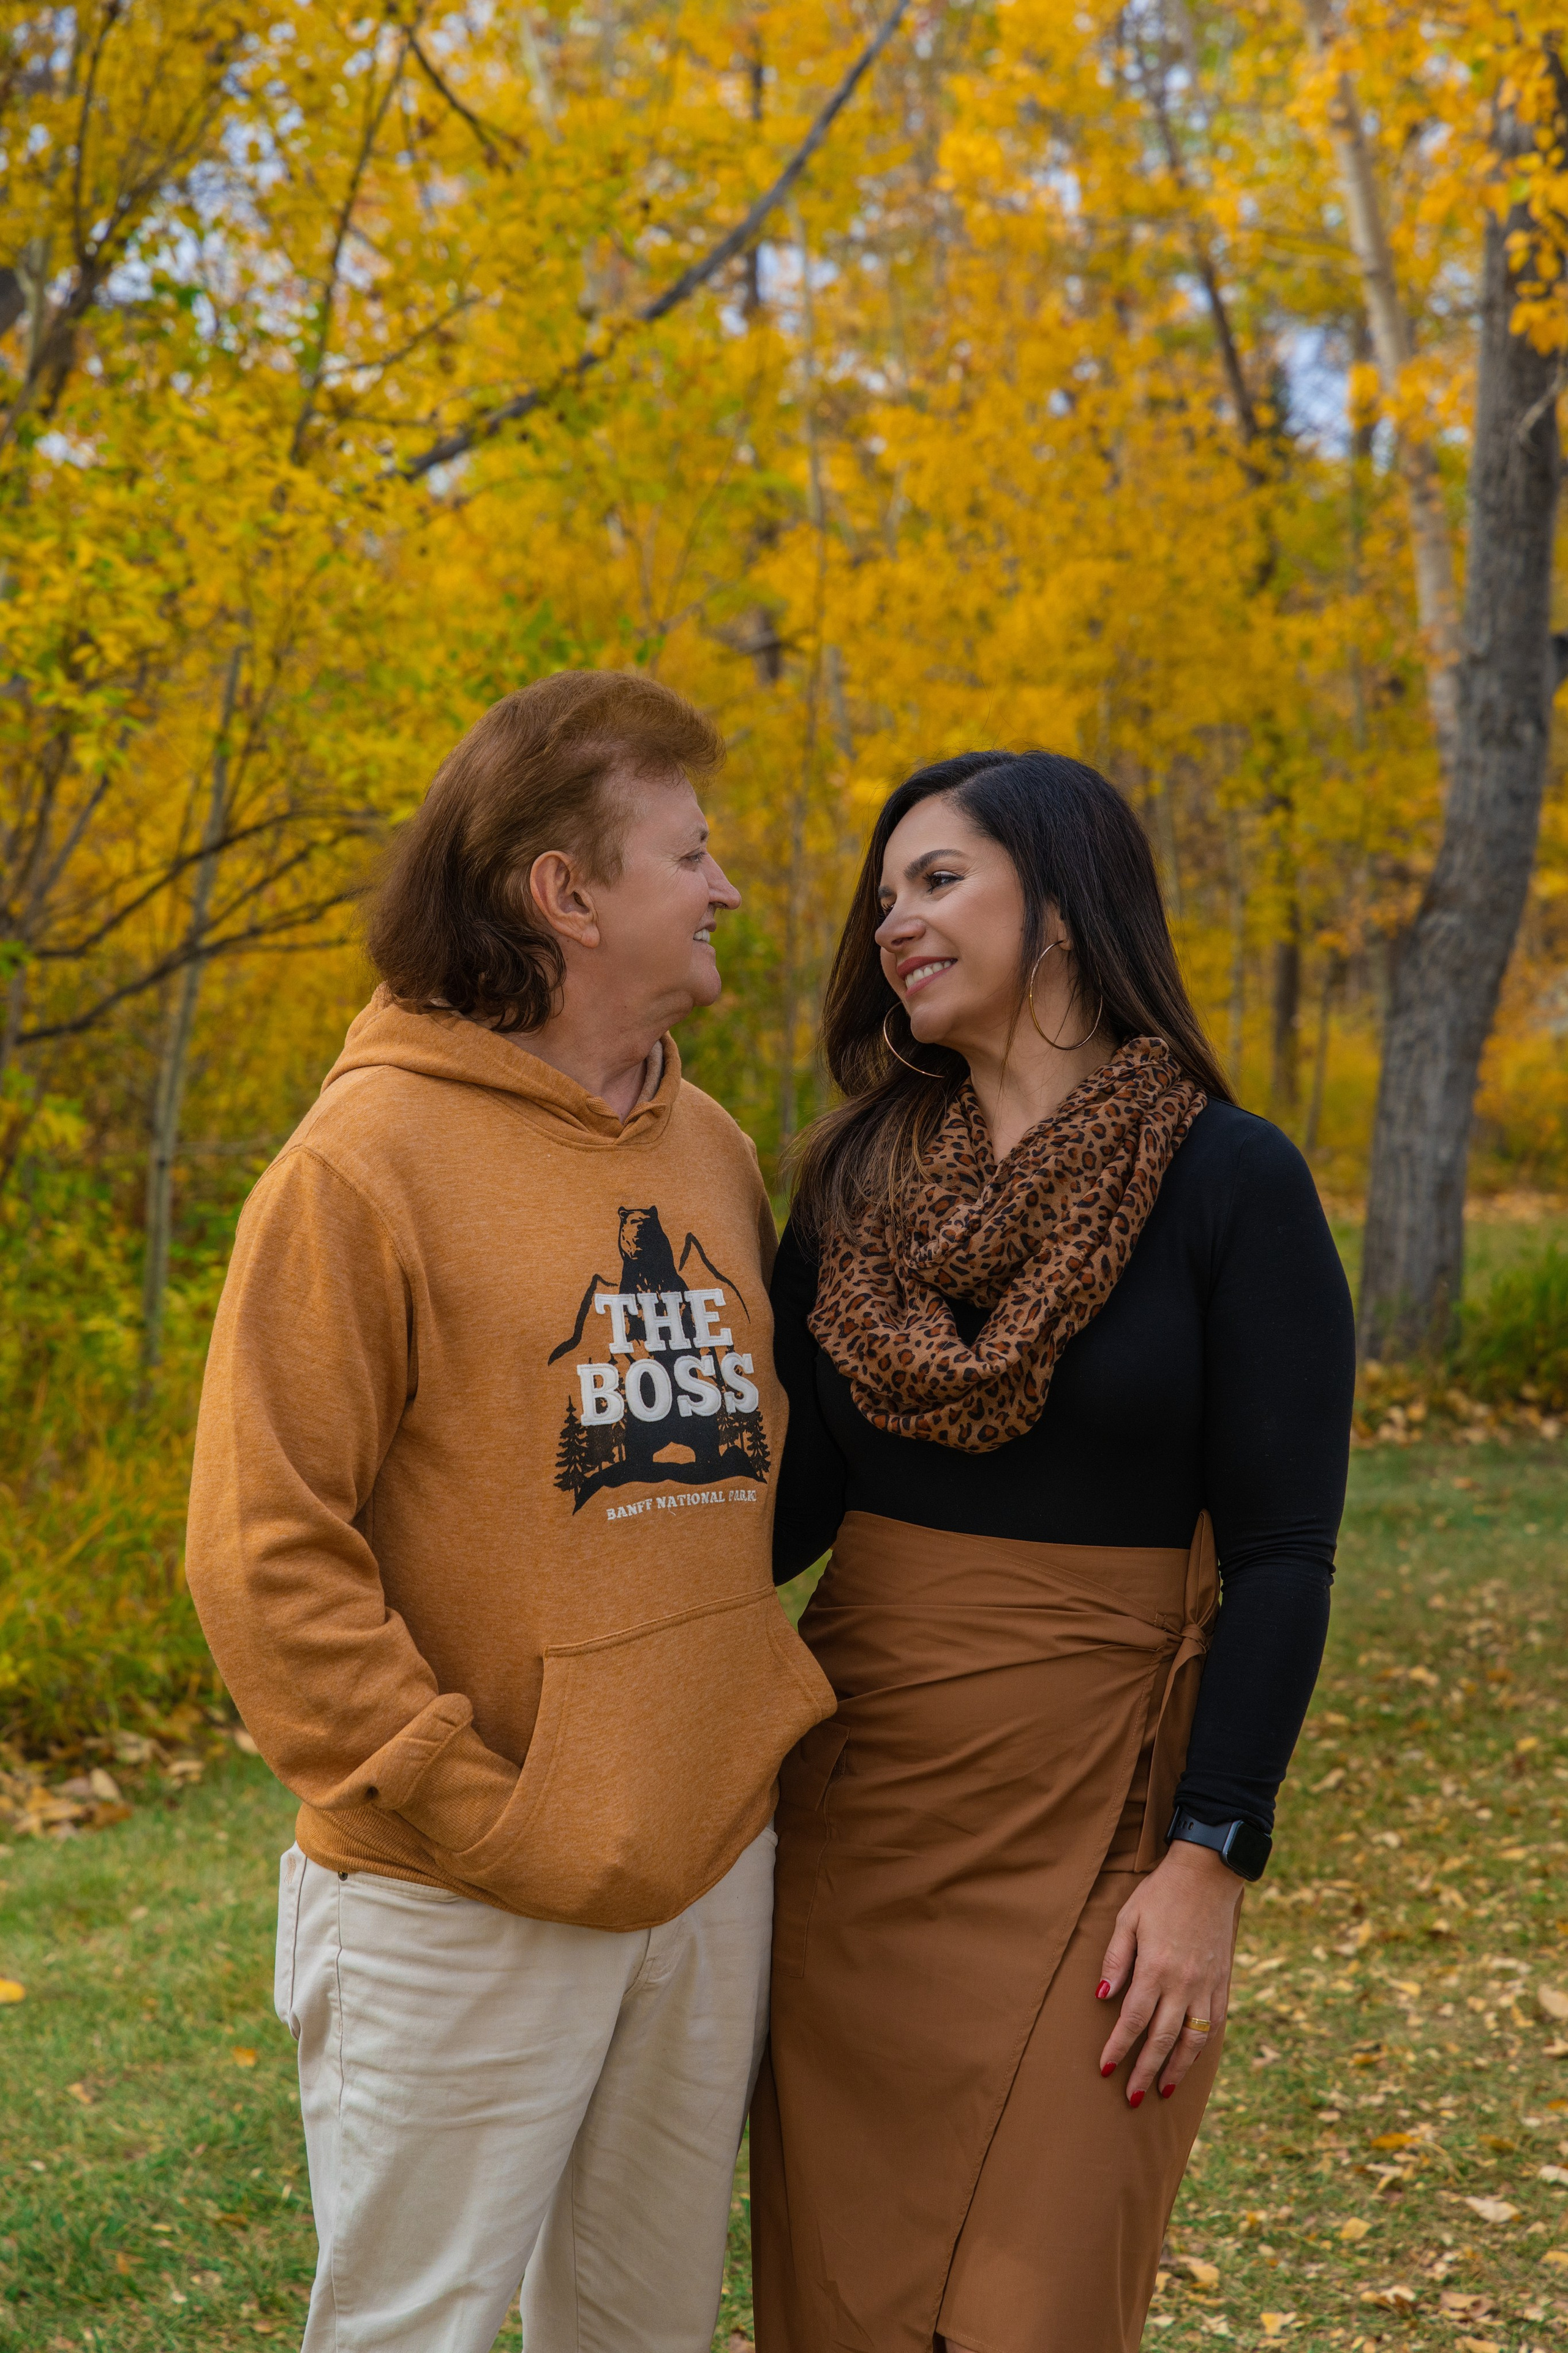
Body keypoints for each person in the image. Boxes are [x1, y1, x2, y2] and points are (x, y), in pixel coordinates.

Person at [186, 669, 834, 2353]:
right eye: (689, 851)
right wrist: (471, 1804)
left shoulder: (714, 1151)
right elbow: (264, 1552)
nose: (726, 885)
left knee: (643, 2329)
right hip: (458, 1892)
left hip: (701, 1872)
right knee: (414, 2328)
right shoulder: (361, 1165)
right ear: (568, 893)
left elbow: (735, 1487)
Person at [750, 750, 1355, 2353]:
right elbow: (782, 1511)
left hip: (1112, 1821)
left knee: (1033, 2314)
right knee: (849, 2309)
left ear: (1069, 909)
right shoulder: (850, 1187)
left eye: (936, 880)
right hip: (866, 1821)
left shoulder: (1232, 1180)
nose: (895, 921)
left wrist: (1213, 1851)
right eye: (883, 897)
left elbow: (1288, 1551)